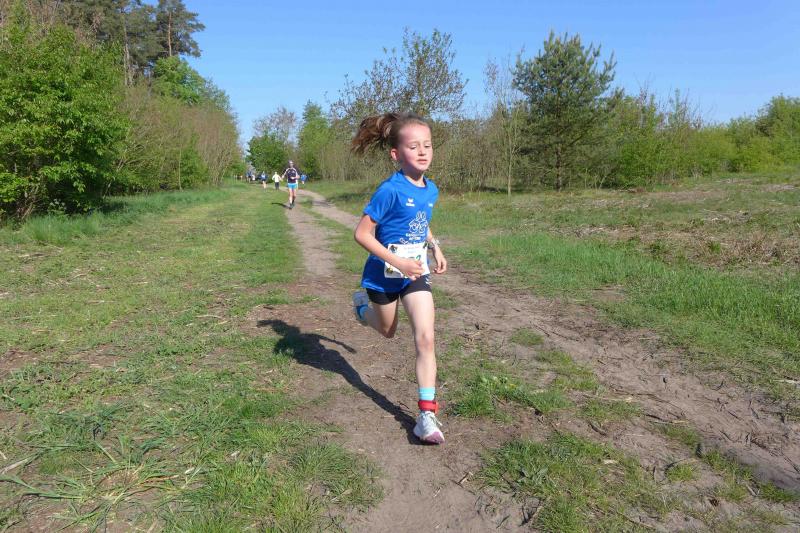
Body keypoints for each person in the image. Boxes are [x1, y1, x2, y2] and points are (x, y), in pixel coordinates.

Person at [350, 112, 448, 444]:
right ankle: (362, 309)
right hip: (383, 275)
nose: (422, 152)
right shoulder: (389, 190)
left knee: (426, 337)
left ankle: (426, 416)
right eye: (413, 146)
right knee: (388, 331)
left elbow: (421, 220)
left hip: (414, 274)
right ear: (396, 154)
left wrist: (434, 246)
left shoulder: (430, 189)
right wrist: (397, 262)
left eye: (427, 145)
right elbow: (361, 234)